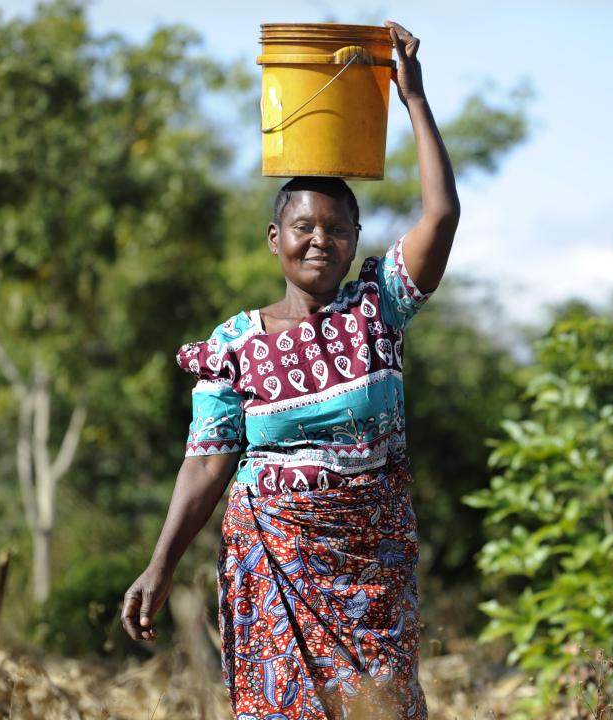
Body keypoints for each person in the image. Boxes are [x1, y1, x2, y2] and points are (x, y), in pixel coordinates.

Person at [122, 20, 458, 720]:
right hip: (274, 563)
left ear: (356, 242)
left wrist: (414, 102)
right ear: (276, 239)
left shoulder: (379, 308)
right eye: (304, 226)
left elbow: (443, 213)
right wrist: (160, 564)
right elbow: (206, 465)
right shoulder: (235, 345)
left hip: (372, 574)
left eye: (337, 229)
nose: (320, 240)